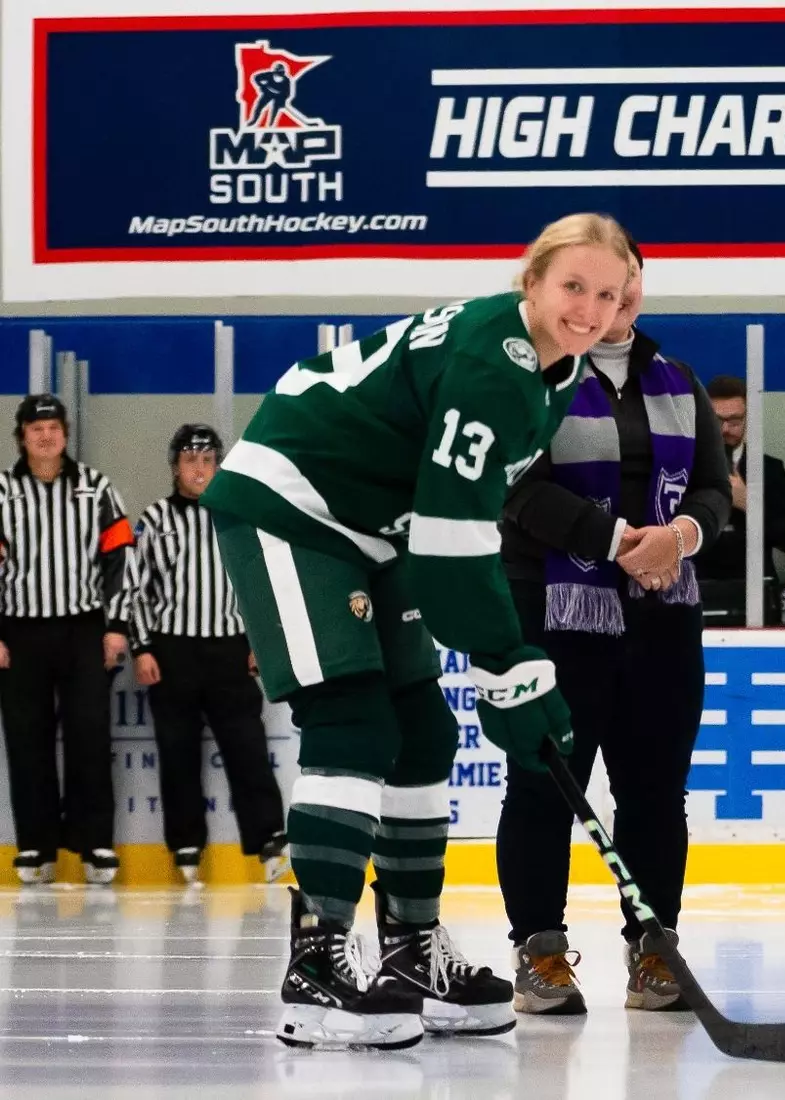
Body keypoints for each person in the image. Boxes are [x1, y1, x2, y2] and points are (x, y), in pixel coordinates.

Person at [201, 212, 636, 1051]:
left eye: (605, 293)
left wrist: (504, 660)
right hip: (292, 503)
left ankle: (409, 953)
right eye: (571, 285)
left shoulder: (559, 368)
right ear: (531, 282)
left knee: (424, 731)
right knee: (353, 719)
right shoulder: (494, 363)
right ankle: (318, 963)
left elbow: (463, 508)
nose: (586, 305)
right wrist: (505, 655)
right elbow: (450, 539)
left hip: (374, 525)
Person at [495, 233, 731, 1016]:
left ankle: (654, 953)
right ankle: (541, 954)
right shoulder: (531, 379)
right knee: (542, 785)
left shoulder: (678, 379)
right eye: (599, 285)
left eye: (628, 282)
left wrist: (677, 539)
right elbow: (517, 491)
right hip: (555, 614)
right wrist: (619, 544)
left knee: (657, 790)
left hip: (662, 616)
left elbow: (711, 491)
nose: (615, 297)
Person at [129, 424, 288, 886]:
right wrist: (142, 647)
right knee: (177, 755)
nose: (199, 468)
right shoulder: (156, 518)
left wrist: (261, 642)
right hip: (172, 651)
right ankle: (185, 847)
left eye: (207, 460)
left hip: (229, 651)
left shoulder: (238, 514)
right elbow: (136, 590)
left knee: (247, 750)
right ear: (175, 466)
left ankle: (269, 841)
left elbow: (260, 586)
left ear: (218, 465)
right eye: (189, 460)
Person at [0, 394, 137, 886]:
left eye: (53, 427)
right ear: (21, 435)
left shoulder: (95, 488)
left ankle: (95, 841)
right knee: (26, 740)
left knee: (89, 737)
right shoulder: (1, 492)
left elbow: (121, 557)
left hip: (83, 629)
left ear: (65, 433)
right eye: (36, 428)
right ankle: (35, 845)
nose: (45, 436)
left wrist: (117, 626)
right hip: (19, 633)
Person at [694, 375, 785, 623]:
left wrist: (749, 504)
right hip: (699, 587)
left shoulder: (769, 469)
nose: (724, 429)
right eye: (716, 420)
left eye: (734, 420)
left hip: (755, 590)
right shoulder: (686, 469)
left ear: (747, 420)